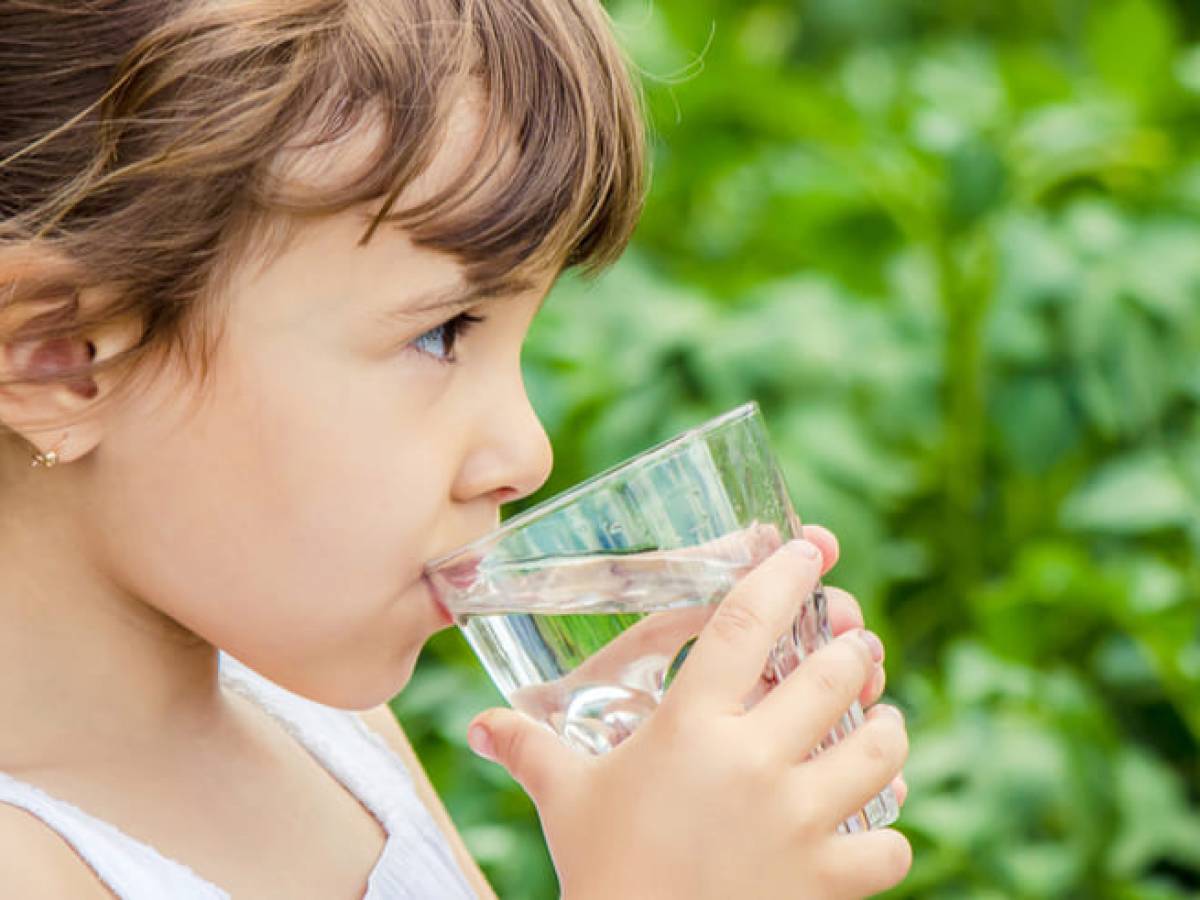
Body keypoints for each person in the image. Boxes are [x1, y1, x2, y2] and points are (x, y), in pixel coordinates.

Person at [0, 1, 911, 897]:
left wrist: (654, 838)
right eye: (441, 332)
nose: (528, 451)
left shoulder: (323, 734)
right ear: (59, 360)